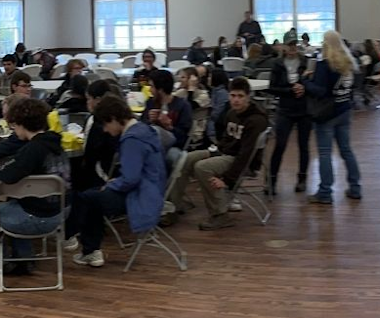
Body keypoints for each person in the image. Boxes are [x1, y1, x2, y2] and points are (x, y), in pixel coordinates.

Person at [67, 96, 168, 268]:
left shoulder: (131, 140)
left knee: (86, 198)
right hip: (153, 190)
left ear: (113, 119)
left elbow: (130, 179)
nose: (105, 130)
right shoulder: (144, 130)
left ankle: (80, 244)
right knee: (93, 196)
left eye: (106, 125)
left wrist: (112, 184)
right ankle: (89, 249)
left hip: (141, 196)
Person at [0, 97, 68, 272]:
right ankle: (25, 258)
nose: (15, 131)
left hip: (36, 217)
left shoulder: (32, 149)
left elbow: (7, 175)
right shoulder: (56, 144)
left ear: (22, 124)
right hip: (59, 214)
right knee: (17, 202)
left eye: (15, 127)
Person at [183, 77, 269, 229]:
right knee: (189, 158)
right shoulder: (231, 113)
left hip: (243, 161)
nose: (236, 100)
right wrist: (215, 151)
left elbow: (246, 155)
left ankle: (220, 214)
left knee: (202, 167)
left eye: (240, 96)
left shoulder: (256, 120)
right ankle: (175, 204)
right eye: (233, 95)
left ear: (248, 97)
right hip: (228, 153)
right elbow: (225, 141)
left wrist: (228, 180)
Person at [306, 32, 362, 203]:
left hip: (327, 114)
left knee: (325, 153)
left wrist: (305, 81)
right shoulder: (349, 62)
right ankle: (355, 187)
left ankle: (325, 192)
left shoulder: (325, 64)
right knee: (346, 150)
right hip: (344, 110)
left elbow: (320, 91)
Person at [266, 37, 314, 194]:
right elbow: (272, 88)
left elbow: (314, 83)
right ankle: (271, 181)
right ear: (283, 47)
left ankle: (302, 179)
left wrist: (304, 87)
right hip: (285, 109)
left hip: (304, 109)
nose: (293, 48)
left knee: (303, 146)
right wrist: (290, 90)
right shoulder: (277, 64)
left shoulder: (306, 61)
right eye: (289, 45)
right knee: (280, 145)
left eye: (295, 44)